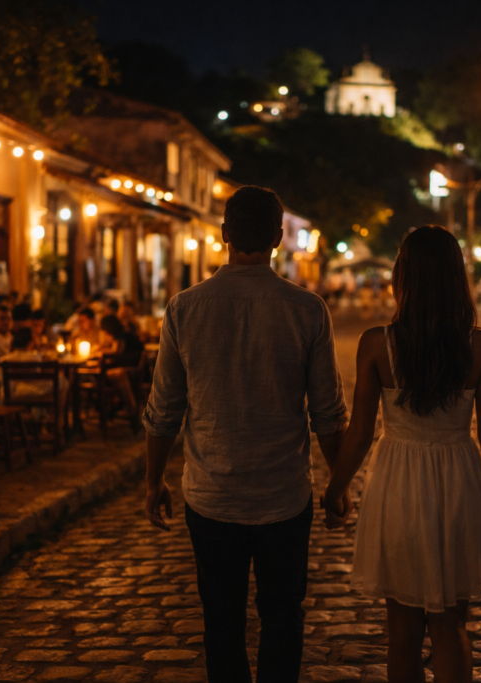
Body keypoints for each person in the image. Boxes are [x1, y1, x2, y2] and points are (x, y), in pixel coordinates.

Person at [143, 186, 350, 683]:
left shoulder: (184, 308)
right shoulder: (307, 310)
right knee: (283, 617)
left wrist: (153, 483)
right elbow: (328, 415)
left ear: (223, 234)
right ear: (279, 238)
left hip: (211, 497)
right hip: (284, 497)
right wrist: (338, 487)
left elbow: (163, 411)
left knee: (221, 621)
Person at [321, 226, 481, 682]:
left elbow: (362, 433)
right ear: (457, 277)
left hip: (399, 487)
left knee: (403, 632)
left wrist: (336, 488)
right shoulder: (480, 345)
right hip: (461, 485)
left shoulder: (377, 344)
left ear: (401, 275)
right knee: (451, 627)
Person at [98, 314, 144, 420]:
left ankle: (126, 410)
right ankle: (119, 408)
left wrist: (100, 351)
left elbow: (117, 354)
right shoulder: (124, 335)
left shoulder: (119, 338)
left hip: (130, 371)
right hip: (136, 371)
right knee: (113, 375)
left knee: (113, 375)